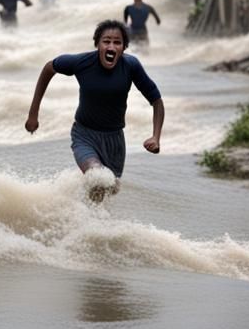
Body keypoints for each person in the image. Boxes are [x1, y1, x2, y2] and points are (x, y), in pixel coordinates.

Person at [24, 20, 164, 197]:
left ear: (124, 47)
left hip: (115, 142)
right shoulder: (81, 62)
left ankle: (86, 217)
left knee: (107, 191)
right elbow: (49, 68)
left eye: (117, 42)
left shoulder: (131, 66)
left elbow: (156, 101)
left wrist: (156, 136)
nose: (111, 46)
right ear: (97, 44)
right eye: (106, 41)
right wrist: (33, 113)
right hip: (84, 135)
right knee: (97, 176)